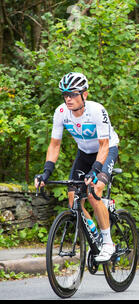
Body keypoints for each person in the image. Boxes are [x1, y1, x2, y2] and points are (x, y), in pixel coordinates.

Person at [34, 72, 120, 262]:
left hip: (106, 150)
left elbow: (104, 145)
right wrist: (47, 171)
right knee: (73, 199)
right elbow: (54, 144)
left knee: (94, 191)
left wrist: (95, 171)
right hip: (84, 153)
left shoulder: (97, 111)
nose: (68, 98)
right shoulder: (61, 113)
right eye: (65, 94)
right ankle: (94, 235)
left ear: (84, 95)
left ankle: (108, 243)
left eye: (72, 94)